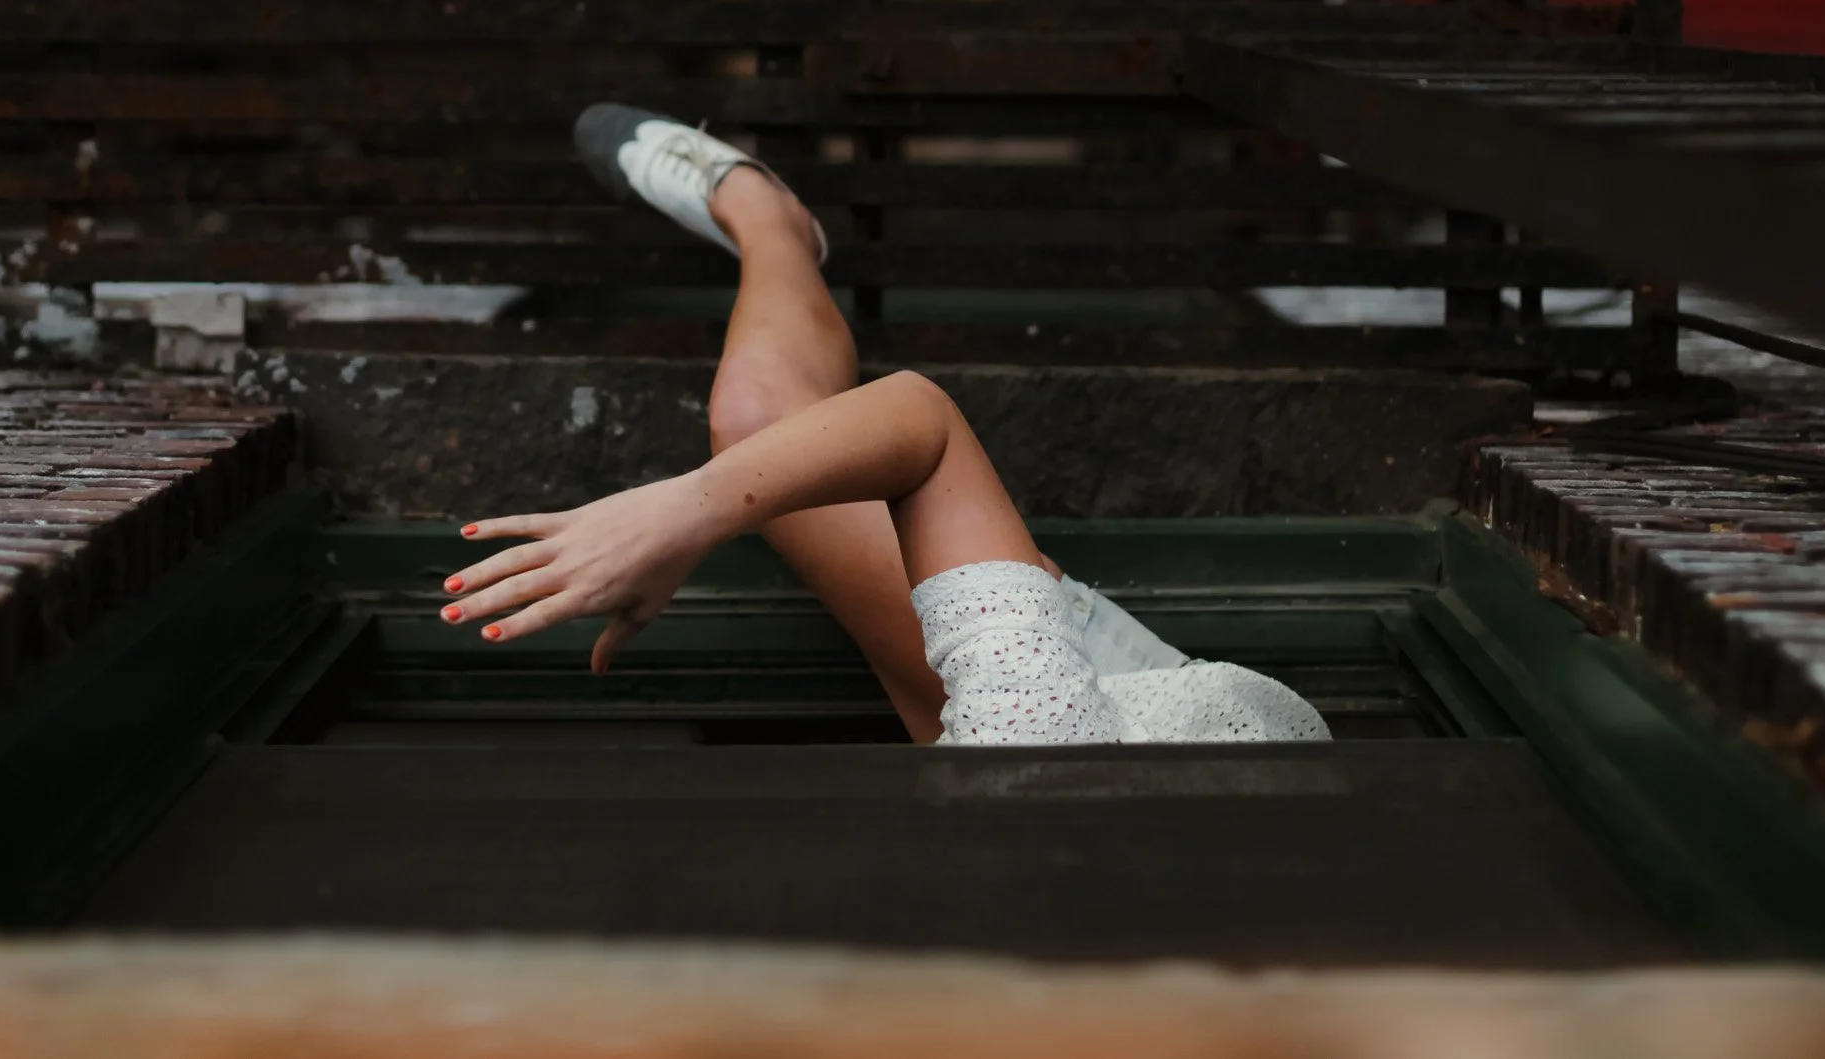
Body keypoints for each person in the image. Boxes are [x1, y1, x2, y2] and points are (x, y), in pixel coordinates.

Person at [438, 106, 1330, 748]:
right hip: (1103, 718)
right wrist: (686, 513)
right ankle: (766, 217)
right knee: (758, 427)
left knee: (768, 432)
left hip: (1037, 805)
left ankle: (770, 224)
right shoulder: (1038, 727)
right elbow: (919, 421)